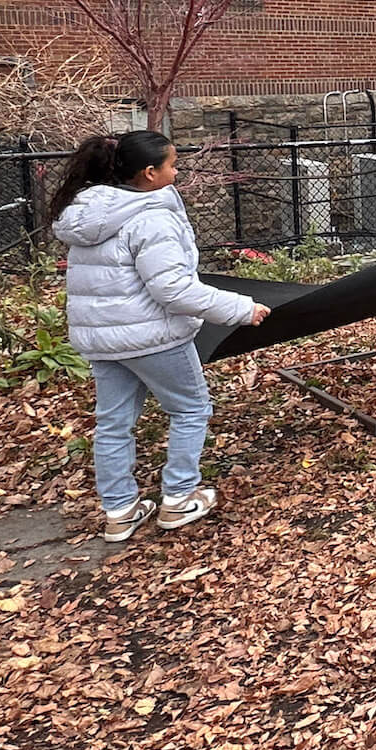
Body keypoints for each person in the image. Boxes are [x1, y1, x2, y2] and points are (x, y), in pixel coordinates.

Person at [50, 131, 271, 544]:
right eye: (172, 165)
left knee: (113, 423)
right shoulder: (150, 216)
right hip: (153, 338)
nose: (177, 171)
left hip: (103, 340)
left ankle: (119, 511)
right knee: (190, 409)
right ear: (150, 173)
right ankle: (179, 497)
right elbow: (173, 289)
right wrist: (242, 308)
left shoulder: (91, 212)